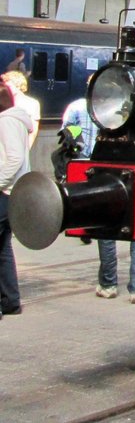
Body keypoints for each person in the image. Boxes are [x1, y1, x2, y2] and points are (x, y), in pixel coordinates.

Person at [61, 96, 135, 303]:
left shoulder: (87, 109)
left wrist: (80, 142)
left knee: (106, 229)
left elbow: (67, 130)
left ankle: (108, 283)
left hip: (99, 164)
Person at [0, 85, 36, 320]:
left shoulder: (6, 121)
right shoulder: (16, 120)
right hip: (13, 192)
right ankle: (10, 301)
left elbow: (14, 158)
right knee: (3, 249)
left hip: (4, 192)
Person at [2, 71, 38, 147]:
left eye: (9, 87)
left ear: (18, 86)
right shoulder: (3, 102)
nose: (7, 89)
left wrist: (28, 147)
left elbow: (34, 129)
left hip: (20, 142)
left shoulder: (32, 103)